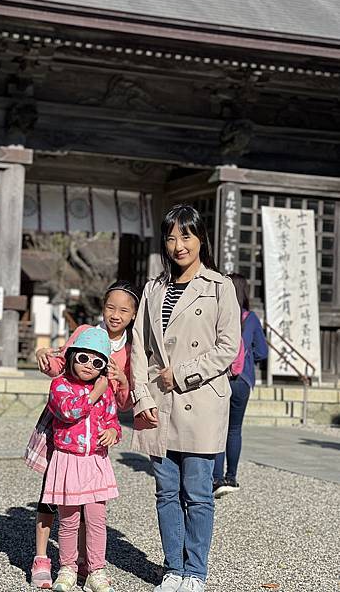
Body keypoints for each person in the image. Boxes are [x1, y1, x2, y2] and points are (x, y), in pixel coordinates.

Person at [130, 204, 241, 592]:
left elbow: (229, 347)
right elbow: (138, 348)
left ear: (200, 239)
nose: (179, 245)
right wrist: (140, 396)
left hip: (200, 401)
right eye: (172, 237)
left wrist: (180, 373)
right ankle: (173, 568)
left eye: (186, 236)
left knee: (197, 493)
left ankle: (195, 572)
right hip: (159, 402)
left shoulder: (219, 286)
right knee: (165, 493)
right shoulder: (153, 288)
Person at [31, 281, 139, 588]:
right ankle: (44, 557)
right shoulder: (85, 334)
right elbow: (60, 365)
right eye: (110, 307)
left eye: (124, 310)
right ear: (102, 307)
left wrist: (120, 383)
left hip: (94, 440)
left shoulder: (131, 351)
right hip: (64, 432)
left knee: (91, 511)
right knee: (54, 498)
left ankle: (87, 564)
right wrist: (43, 353)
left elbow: (121, 404)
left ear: (133, 315)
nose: (115, 315)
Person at [43, 327, 121, 592]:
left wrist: (112, 431)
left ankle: (96, 570)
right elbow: (67, 412)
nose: (89, 365)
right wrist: (94, 393)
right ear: (72, 357)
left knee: (97, 520)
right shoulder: (59, 386)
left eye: (97, 361)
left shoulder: (106, 392)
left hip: (96, 462)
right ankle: (67, 568)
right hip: (67, 461)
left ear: (103, 366)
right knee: (69, 520)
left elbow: (113, 420)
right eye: (83, 358)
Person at [212, 273, 268, 498]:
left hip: (218, 378)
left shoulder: (217, 314)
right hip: (242, 381)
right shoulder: (250, 318)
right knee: (234, 429)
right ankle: (231, 477)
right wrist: (246, 357)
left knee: (217, 429)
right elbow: (262, 352)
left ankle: (215, 478)